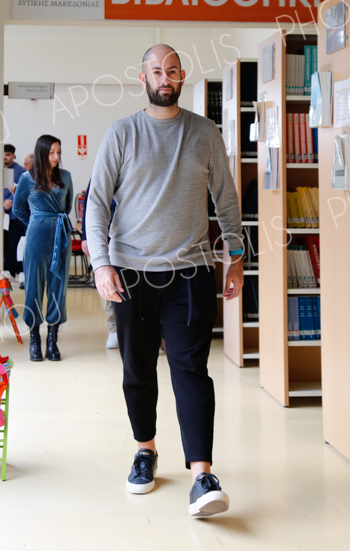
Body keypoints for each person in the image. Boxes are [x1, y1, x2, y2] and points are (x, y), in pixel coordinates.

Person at [86, 44, 244, 518]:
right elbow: (97, 202)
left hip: (189, 272)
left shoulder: (204, 132)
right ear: (143, 79)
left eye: (172, 70)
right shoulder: (122, 133)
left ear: (181, 75)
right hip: (130, 273)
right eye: (156, 71)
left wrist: (235, 257)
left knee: (190, 370)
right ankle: (145, 450)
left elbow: (227, 200)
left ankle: (202, 476)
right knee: (137, 369)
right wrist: (101, 264)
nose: (164, 77)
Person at [12, 135, 73, 362]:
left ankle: (52, 340)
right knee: (33, 287)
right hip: (36, 237)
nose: (56, 157)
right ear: (42, 153)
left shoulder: (65, 176)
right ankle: (35, 338)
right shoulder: (27, 178)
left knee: (58, 287)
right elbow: (18, 208)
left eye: (59, 152)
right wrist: (36, 221)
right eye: (51, 152)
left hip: (60, 237)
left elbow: (66, 207)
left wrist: (51, 221)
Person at [80, 181, 118, 349]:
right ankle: (113, 329)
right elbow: (90, 206)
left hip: (132, 239)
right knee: (109, 284)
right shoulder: (101, 172)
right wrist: (85, 237)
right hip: (106, 237)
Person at [3, 144, 26, 280]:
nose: (5, 157)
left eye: (8, 154)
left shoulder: (19, 171)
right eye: (3, 154)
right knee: (5, 245)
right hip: (0, 214)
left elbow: (20, 190)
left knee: (15, 243)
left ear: (13, 155)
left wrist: (7, 203)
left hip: (13, 215)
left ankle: (20, 272)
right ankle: (9, 272)